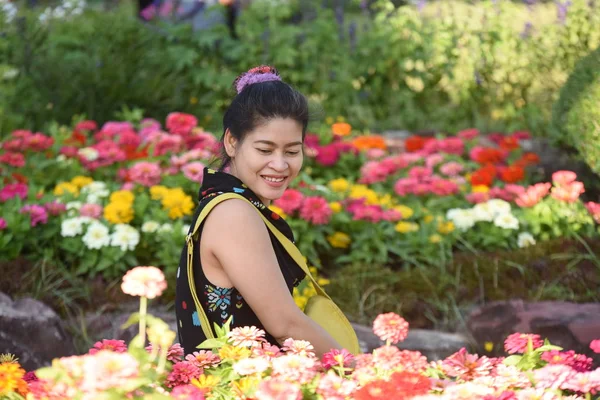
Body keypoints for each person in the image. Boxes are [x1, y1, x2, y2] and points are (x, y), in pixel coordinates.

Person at [175, 66, 343, 358]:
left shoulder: (226, 202)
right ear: (232, 142)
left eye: (292, 151)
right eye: (265, 150)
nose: (280, 165)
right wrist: (363, 371)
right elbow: (286, 325)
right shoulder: (234, 213)